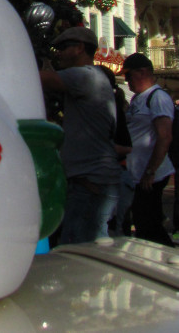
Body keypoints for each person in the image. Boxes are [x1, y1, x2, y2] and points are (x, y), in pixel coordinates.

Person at [40, 26, 122, 244]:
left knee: (78, 250)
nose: (58, 53)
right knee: (93, 246)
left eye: (63, 47)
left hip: (88, 183)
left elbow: (41, 79)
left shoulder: (84, 76)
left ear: (79, 48)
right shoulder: (94, 78)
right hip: (95, 180)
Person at [121, 53, 174, 246]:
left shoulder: (157, 98)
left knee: (149, 225)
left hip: (152, 175)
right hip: (139, 174)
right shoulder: (137, 99)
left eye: (129, 76)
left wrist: (151, 171)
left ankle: (168, 265)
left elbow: (164, 136)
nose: (127, 81)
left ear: (143, 72)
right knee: (144, 225)